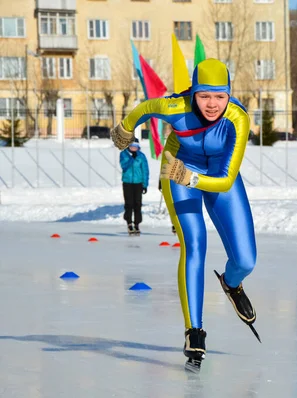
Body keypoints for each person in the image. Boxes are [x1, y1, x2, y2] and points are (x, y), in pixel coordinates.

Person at [110, 59, 258, 371]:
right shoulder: (176, 106)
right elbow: (144, 109)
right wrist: (124, 128)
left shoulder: (237, 117)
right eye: (205, 96)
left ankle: (232, 284)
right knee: (195, 244)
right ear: (193, 92)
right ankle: (195, 331)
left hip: (215, 175)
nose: (212, 104)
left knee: (246, 260)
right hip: (177, 166)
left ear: (229, 95)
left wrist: (190, 177)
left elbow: (227, 181)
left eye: (220, 96)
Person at [120, 139, 149, 235]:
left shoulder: (141, 156)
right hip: (127, 182)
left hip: (138, 183)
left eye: (135, 146)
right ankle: (129, 223)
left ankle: (137, 224)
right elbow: (124, 166)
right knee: (129, 204)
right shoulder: (124, 154)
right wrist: (131, 158)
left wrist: (145, 184)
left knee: (137, 204)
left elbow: (145, 170)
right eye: (132, 146)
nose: (134, 148)